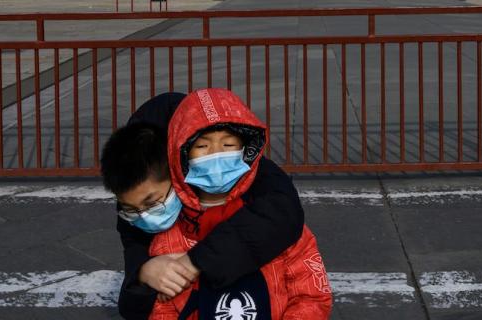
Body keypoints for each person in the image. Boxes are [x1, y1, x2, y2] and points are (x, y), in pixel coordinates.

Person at [101, 92, 305, 320]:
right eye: (131, 209)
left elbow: (283, 211)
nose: (145, 216)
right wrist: (143, 272)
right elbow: (135, 259)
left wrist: (194, 262)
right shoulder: (134, 177)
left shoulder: (242, 170)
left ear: (178, 166)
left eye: (153, 202)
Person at [149, 88, 332, 320]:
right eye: (202, 146)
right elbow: (163, 308)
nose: (216, 154)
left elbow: (312, 294)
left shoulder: (275, 223)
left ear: (246, 150)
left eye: (228, 146)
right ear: (182, 153)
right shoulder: (171, 235)